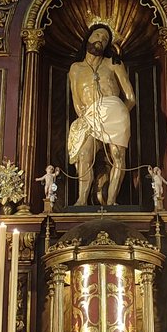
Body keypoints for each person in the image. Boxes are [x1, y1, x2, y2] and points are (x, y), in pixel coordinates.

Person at [68, 24, 136, 206]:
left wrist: (120, 113)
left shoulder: (113, 64)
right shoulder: (75, 68)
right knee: (84, 154)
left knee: (118, 155)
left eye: (105, 39)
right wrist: (85, 116)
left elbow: (130, 97)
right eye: (97, 35)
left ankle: (112, 200)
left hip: (114, 111)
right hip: (90, 115)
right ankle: (82, 200)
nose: (100, 40)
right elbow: (76, 99)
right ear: (88, 38)